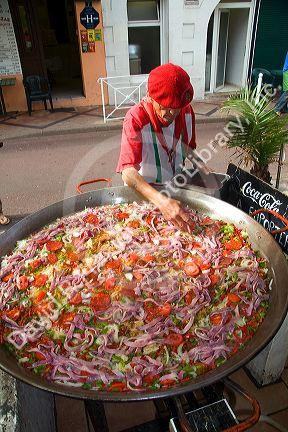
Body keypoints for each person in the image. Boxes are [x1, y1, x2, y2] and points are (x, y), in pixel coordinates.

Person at [116, 63, 210, 232]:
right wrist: (161, 202)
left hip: (174, 189)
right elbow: (128, 172)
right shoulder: (135, 118)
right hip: (144, 194)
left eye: (176, 108)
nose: (171, 114)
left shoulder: (187, 112)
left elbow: (187, 148)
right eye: (164, 108)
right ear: (150, 96)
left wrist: (199, 164)